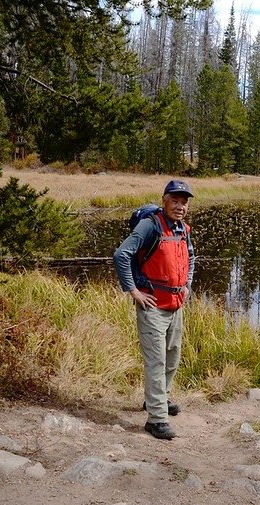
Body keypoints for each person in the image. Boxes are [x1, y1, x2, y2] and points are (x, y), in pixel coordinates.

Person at [113, 180, 195, 440]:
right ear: (164, 200)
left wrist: (187, 285)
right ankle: (156, 420)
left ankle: (157, 400)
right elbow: (121, 255)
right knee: (156, 362)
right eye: (175, 200)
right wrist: (134, 292)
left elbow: (191, 257)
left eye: (184, 202)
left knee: (172, 357)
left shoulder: (182, 229)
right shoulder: (150, 225)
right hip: (152, 306)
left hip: (176, 304)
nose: (180, 206)